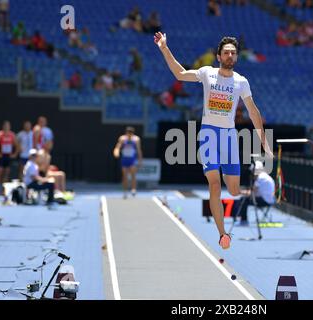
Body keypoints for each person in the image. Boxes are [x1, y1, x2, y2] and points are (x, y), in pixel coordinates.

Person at [154, 32, 273, 249]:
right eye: (226, 52)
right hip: (209, 134)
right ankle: (222, 234)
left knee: (234, 190)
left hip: (228, 136)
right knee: (215, 184)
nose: (230, 55)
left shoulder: (241, 82)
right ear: (218, 56)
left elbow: (253, 112)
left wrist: (263, 140)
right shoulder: (207, 73)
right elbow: (180, 74)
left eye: (233, 53)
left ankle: (245, 192)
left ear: (236, 57)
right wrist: (164, 47)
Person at [236, 160, 275, 225]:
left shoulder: (260, 178)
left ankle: (243, 220)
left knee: (243, 199)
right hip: (270, 200)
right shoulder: (265, 176)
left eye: (253, 171)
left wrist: (239, 192)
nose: (252, 172)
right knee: (245, 198)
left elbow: (251, 193)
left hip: (265, 201)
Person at [113, 126, 143, 199]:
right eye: (128, 133)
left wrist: (140, 160)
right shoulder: (122, 138)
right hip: (124, 159)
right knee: (125, 176)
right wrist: (116, 152)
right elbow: (117, 147)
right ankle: (125, 191)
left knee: (133, 174)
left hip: (132, 159)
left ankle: (133, 189)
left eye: (131, 133)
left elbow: (139, 150)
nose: (129, 135)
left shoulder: (136, 139)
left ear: (132, 133)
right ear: (126, 133)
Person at [0, 121, 19, 195]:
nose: (6, 127)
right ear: (3, 126)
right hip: (1, 156)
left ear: (9, 127)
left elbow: (17, 146)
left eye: (8, 126)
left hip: (8, 156)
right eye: (5, 126)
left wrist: (14, 154)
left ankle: (4, 191)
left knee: (6, 173)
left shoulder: (12, 135)